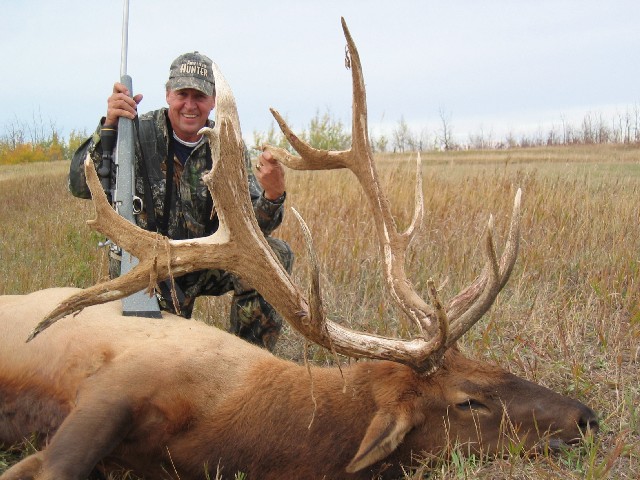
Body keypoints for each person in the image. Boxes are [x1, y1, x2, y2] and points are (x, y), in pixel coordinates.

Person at [69, 51, 293, 351]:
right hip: (152, 266)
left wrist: (273, 195)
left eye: (199, 96)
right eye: (182, 94)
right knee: (158, 360)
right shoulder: (133, 131)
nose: (190, 105)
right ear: (167, 94)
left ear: (213, 101)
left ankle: (247, 363)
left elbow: (254, 230)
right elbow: (79, 185)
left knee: (275, 254)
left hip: (208, 261)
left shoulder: (228, 145)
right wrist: (108, 127)